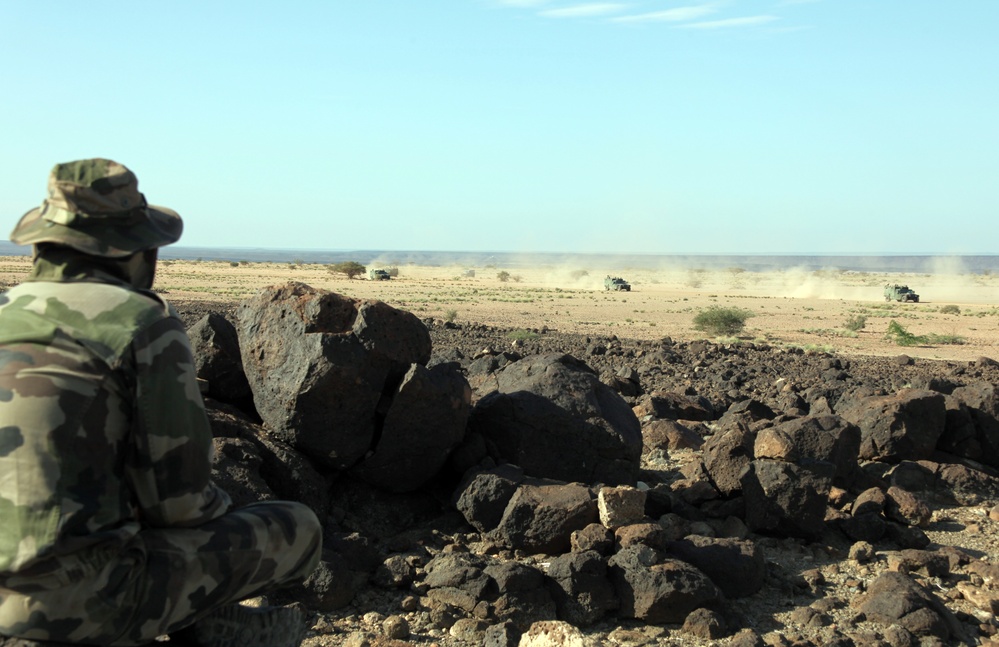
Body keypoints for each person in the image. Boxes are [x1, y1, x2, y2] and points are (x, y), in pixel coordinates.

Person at [0, 159, 322, 647]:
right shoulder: (138, 324)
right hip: (78, 604)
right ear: (130, 250)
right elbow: (178, 505)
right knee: (297, 528)